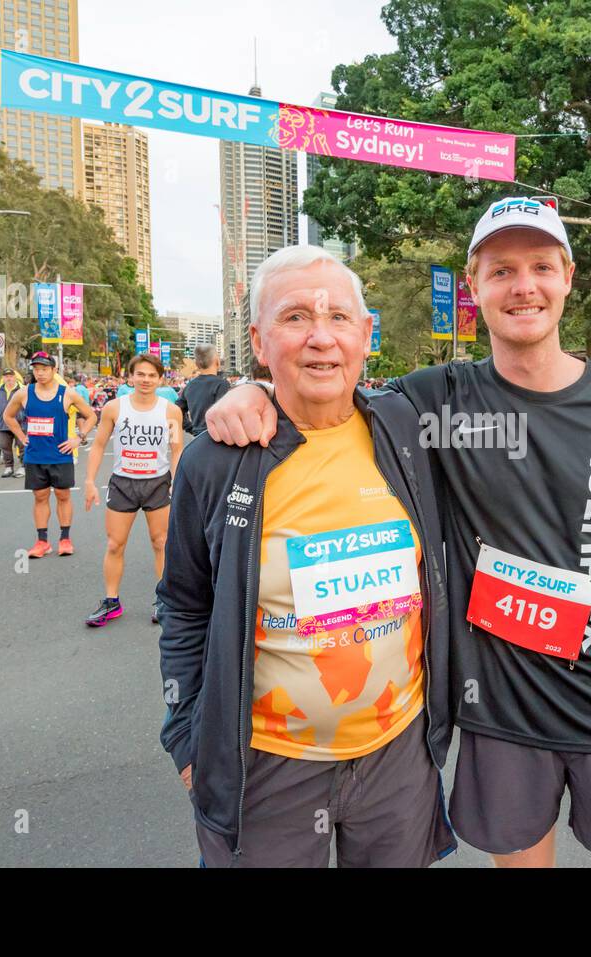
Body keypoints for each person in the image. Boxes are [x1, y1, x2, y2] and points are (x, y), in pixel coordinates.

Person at [204, 197, 591, 868]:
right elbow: (328, 389)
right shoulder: (434, 401)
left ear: (567, 276)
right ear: (474, 287)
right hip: (503, 714)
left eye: (541, 266)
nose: (524, 286)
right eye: (502, 270)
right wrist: (249, 391)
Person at [158, 246, 456, 867]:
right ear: (259, 342)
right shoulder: (214, 462)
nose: (321, 338)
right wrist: (186, 737)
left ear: (366, 335)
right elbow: (183, 604)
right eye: (295, 318)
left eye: (339, 319)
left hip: (397, 756)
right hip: (265, 766)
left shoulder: (410, 427)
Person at [83, 353, 184, 627]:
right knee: (115, 544)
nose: (146, 380)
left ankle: (164, 600)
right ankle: (111, 601)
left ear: (160, 379)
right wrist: (90, 481)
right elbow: (98, 445)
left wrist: (178, 481)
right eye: (140, 374)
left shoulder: (170, 411)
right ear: (130, 377)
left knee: (161, 543)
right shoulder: (114, 408)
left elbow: (176, 450)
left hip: (157, 483)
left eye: (152, 375)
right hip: (123, 483)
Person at [3, 352, 97, 559]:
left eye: (45, 369)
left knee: (63, 495)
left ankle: (65, 539)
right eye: (36, 369)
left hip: (60, 455)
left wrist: (78, 438)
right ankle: (42, 541)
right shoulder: (24, 393)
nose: (40, 373)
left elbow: (91, 416)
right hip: (35, 455)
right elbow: (7, 416)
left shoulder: (68, 393)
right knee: (40, 497)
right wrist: (20, 435)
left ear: (54, 370)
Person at [177, 344, 231, 436]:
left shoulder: (189, 386)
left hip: (198, 437)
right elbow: (224, 414)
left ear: (197, 364)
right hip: (217, 439)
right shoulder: (222, 384)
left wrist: (191, 427)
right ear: (217, 361)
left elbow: (177, 409)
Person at [0, 368, 26, 478]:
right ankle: (8, 467)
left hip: (19, 424)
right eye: (6, 376)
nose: (9, 378)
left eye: (11, 376)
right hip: (2, 424)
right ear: (3, 378)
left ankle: (23, 466)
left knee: (22, 446)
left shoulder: (23, 390)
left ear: (15, 377)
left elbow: (29, 405)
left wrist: (23, 416)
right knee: (4, 446)